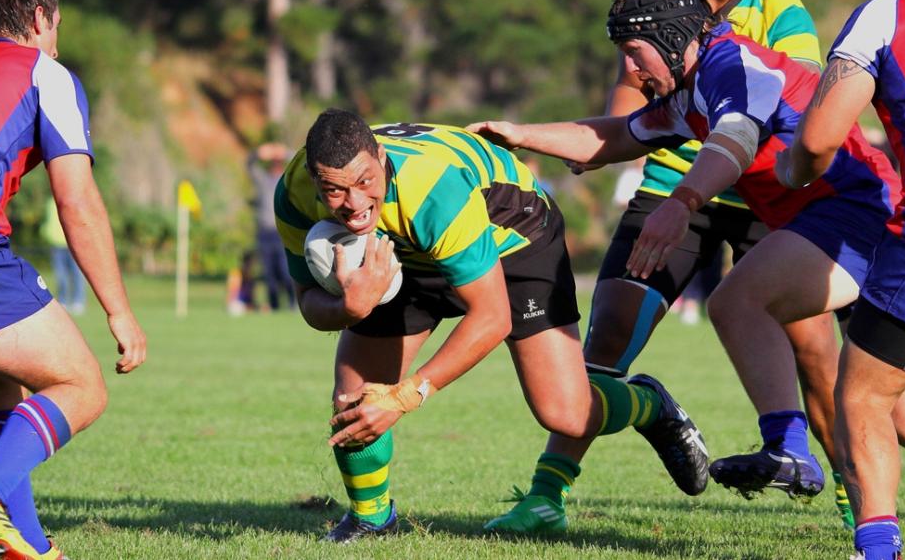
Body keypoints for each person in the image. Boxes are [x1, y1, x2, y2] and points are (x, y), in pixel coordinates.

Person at [467, 0, 905, 537]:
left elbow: (736, 136)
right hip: (845, 219)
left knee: (739, 303)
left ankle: (789, 448)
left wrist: (681, 201)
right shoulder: (690, 90)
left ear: (669, 40)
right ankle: (804, 463)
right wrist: (519, 134)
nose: (632, 71)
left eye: (635, 55)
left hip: (858, 214)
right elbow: (613, 137)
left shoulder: (728, 64)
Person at [275, 110, 709, 542]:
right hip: (409, 250)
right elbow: (309, 304)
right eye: (334, 190)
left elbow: (492, 317)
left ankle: (649, 404)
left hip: (514, 237)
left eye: (365, 182)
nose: (353, 204)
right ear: (314, 180)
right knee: (354, 397)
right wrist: (352, 307)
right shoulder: (293, 194)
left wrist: (407, 395)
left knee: (566, 414)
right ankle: (372, 518)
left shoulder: (430, 190)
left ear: (381, 157)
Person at [0, 0, 147, 559]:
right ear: (39, 17)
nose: (57, 42)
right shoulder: (43, 74)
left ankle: (27, 546)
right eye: (56, 28)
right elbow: (77, 202)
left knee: (0, 394)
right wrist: (120, 313)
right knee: (81, 385)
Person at [781, 0, 905, 557]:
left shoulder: (891, 10)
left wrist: (794, 169)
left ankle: (877, 549)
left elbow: (819, 139)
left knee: (865, 395)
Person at [248, 141, 295, 311]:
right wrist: (259, 153)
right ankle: (274, 305)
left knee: (285, 270)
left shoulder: (287, 180)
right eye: (273, 162)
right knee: (269, 273)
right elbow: (249, 164)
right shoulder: (262, 179)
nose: (276, 165)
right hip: (264, 232)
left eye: (278, 162)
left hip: (282, 231)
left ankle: (292, 302)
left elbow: (301, 162)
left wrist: (285, 152)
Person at [41, 196, 86, 315]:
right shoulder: (50, 202)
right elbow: (48, 222)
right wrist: (47, 234)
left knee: (76, 274)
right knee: (61, 275)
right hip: (56, 244)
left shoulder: (73, 198)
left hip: (74, 243)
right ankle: (63, 301)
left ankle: (78, 301)